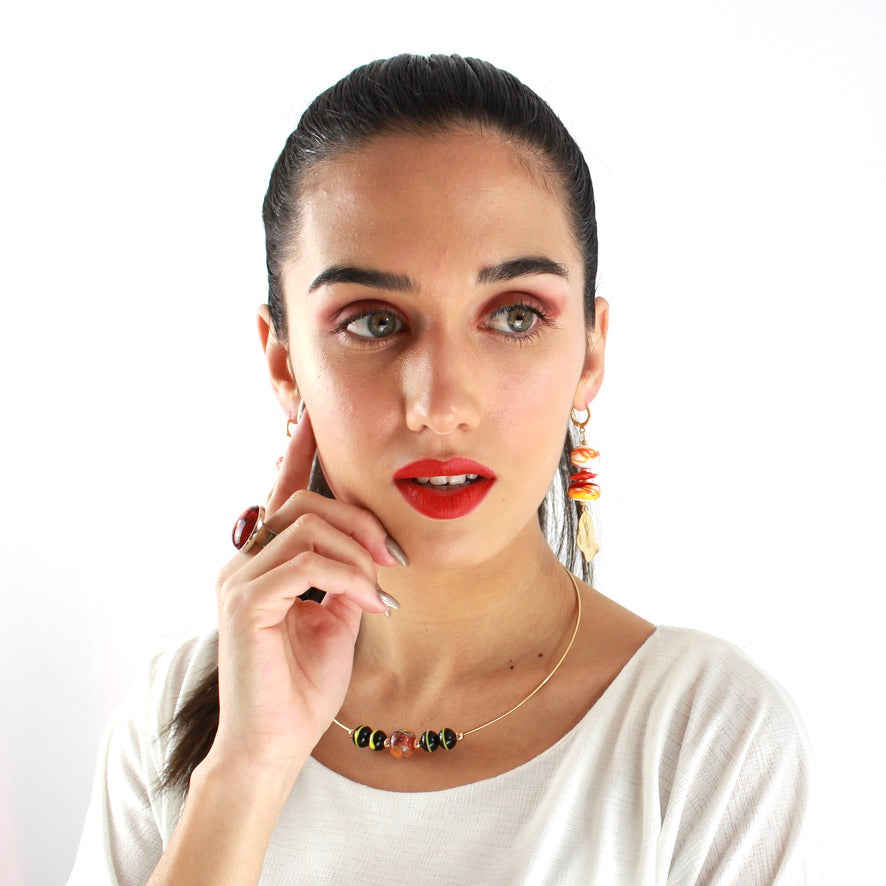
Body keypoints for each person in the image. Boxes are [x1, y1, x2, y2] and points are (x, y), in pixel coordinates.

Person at [69, 54, 818, 884]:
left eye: (515, 315)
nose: (441, 403)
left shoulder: (705, 737)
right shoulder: (179, 718)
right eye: (372, 321)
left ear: (590, 352)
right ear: (284, 363)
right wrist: (246, 769)